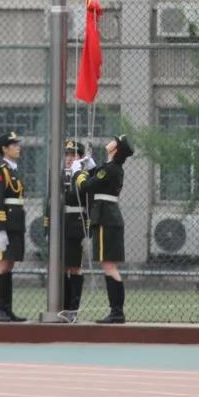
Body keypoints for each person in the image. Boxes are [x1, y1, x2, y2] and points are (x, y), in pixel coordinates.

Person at [74, 134, 133, 324]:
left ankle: (117, 312)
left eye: (115, 141)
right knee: (109, 265)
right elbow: (101, 181)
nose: (111, 141)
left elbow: (87, 186)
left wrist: (77, 172)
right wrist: (92, 168)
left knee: (109, 266)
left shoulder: (110, 168)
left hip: (106, 219)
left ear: (116, 149)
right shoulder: (110, 168)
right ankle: (116, 311)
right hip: (108, 218)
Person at [0, 131, 28, 322]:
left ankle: (7, 309)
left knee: (10, 264)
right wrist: (1, 229)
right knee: (2, 264)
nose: (18, 147)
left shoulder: (14, 170)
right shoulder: (1, 170)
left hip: (16, 223)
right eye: (14, 145)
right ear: (4, 149)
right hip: (6, 223)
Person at [58, 139, 94, 322]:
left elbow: (88, 203)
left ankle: (72, 310)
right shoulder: (58, 175)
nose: (69, 158)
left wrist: (87, 231)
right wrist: (48, 227)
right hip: (60, 225)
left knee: (75, 268)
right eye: (67, 154)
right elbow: (50, 203)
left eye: (73, 154)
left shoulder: (83, 177)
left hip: (76, 225)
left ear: (80, 157)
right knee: (61, 267)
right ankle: (62, 307)